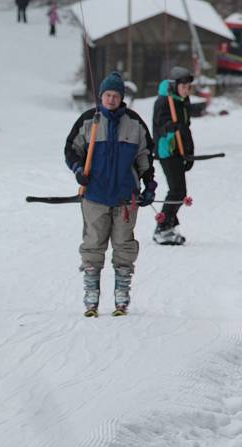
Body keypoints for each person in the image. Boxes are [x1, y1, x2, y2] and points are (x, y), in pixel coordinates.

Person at [64, 71, 157, 316]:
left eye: (116, 95)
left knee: (124, 245)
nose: (111, 99)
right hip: (95, 195)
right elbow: (71, 150)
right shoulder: (89, 120)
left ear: (122, 98)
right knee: (93, 244)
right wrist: (78, 171)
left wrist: (149, 184)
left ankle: (122, 294)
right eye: (107, 95)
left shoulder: (134, 123)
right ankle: (91, 294)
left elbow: (145, 155)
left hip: (126, 197)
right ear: (101, 96)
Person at [151, 66, 195, 245]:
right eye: (183, 86)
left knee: (179, 190)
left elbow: (186, 128)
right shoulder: (164, 101)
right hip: (167, 151)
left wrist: (189, 152)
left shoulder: (182, 101)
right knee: (177, 190)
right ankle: (163, 228)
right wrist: (170, 127)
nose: (186, 90)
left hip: (179, 151)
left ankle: (168, 225)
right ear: (175, 85)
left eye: (188, 87)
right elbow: (160, 127)